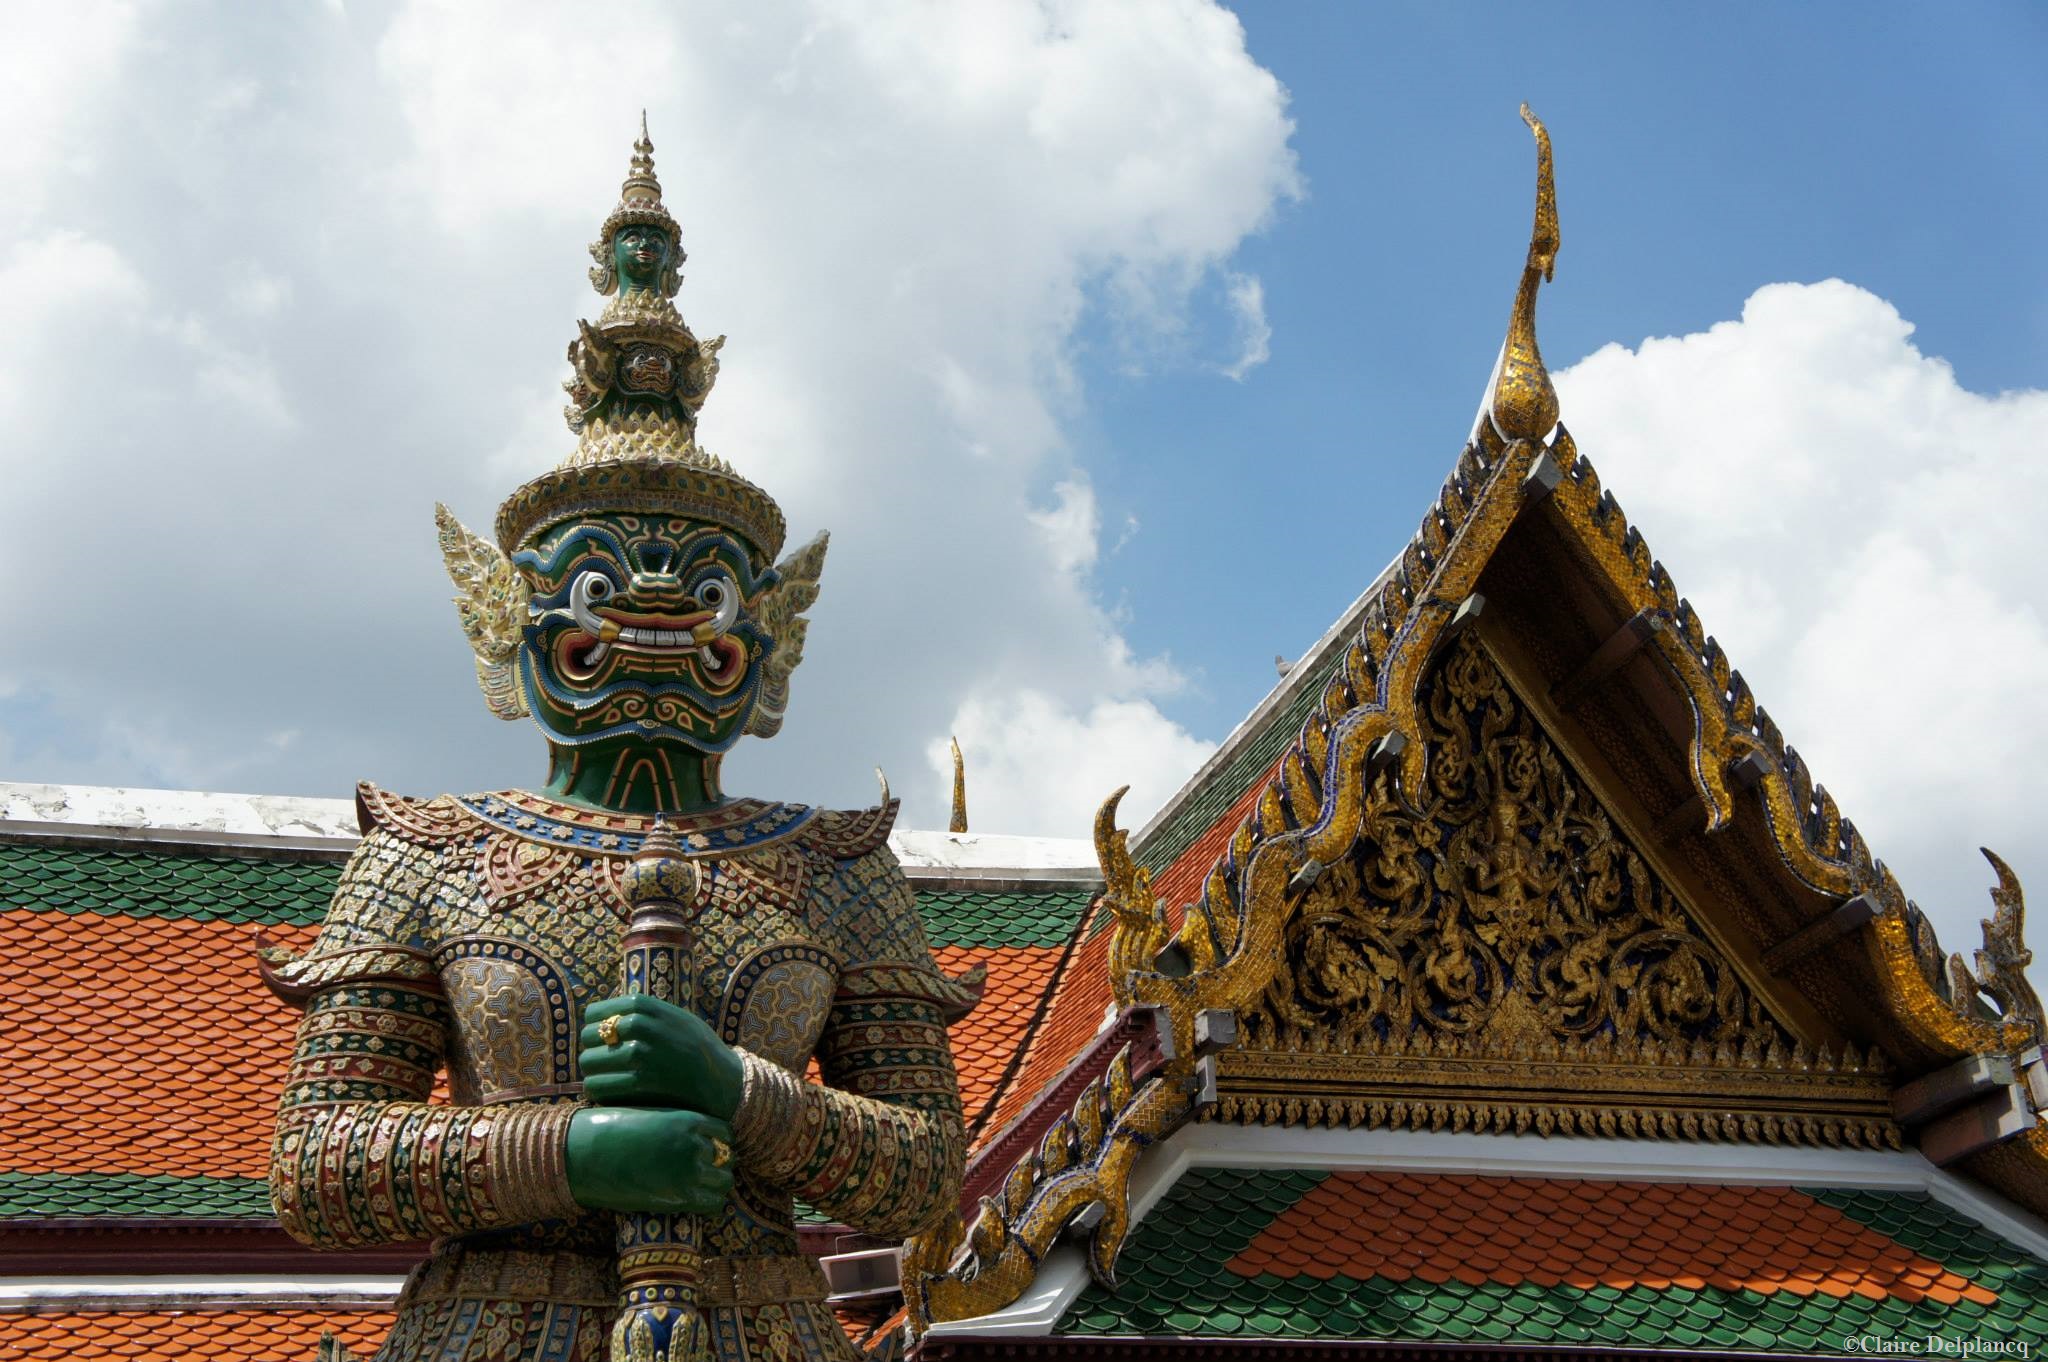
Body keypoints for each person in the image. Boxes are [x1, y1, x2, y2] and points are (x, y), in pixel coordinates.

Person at [264, 119, 973, 1362]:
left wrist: (739, 1094)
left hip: (761, 1326)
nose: (652, 611)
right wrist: (569, 1150)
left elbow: (923, 1178)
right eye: (601, 581)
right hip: (499, 1327)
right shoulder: (429, 856)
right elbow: (318, 1162)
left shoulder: (835, 866)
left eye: (698, 589)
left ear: (767, 635)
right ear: (510, 620)